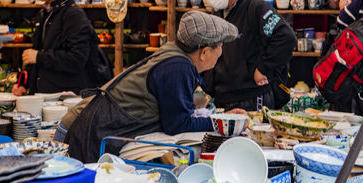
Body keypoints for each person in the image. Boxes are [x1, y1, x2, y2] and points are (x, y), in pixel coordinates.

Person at [61, 11, 245, 162]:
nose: (221, 52)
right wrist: (223, 122)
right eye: (220, 46)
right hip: (82, 130)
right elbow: (177, 124)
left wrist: (221, 117)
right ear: (204, 52)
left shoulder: (176, 54)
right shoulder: (177, 67)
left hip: (86, 123)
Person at [194, 0, 296, 111]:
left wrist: (263, 69)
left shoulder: (255, 8)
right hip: (223, 99)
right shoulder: (218, 13)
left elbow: (286, 37)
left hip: (252, 99)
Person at [10, 0, 103, 96]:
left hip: (67, 100)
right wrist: (24, 83)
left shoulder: (73, 15)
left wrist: (39, 57)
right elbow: (39, 53)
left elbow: (77, 59)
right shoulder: (45, 13)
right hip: (47, 99)